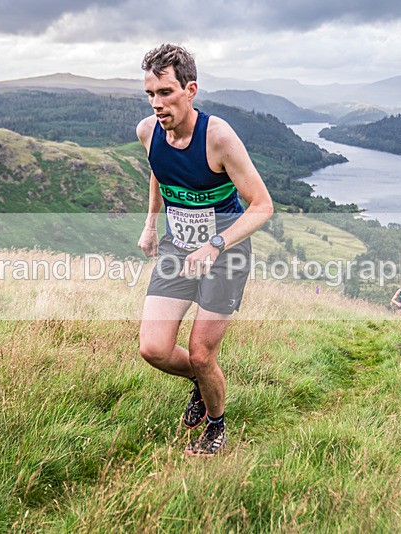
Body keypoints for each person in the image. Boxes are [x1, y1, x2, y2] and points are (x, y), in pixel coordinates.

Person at [135, 44, 273, 456]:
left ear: (190, 89)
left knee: (200, 353)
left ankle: (216, 425)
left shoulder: (218, 137)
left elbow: (263, 205)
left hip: (225, 253)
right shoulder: (147, 132)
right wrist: (150, 225)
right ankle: (199, 381)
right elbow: (160, 173)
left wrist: (216, 244)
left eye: (166, 92)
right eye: (150, 94)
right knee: (153, 349)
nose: (157, 104)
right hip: (178, 249)